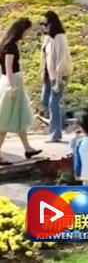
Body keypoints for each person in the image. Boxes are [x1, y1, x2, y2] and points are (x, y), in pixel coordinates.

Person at [0, 19, 42, 165]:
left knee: (18, 118)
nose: (27, 34)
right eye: (27, 31)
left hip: (12, 82)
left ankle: (28, 148)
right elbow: (8, 68)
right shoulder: (10, 46)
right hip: (12, 83)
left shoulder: (7, 44)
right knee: (5, 121)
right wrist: (12, 87)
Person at [40, 11, 72, 143]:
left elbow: (61, 59)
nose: (44, 27)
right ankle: (61, 123)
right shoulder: (47, 38)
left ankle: (55, 134)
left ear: (53, 24)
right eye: (42, 24)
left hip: (59, 75)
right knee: (45, 101)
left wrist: (58, 78)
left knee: (53, 103)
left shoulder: (60, 37)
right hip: (48, 75)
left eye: (46, 24)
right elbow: (45, 58)